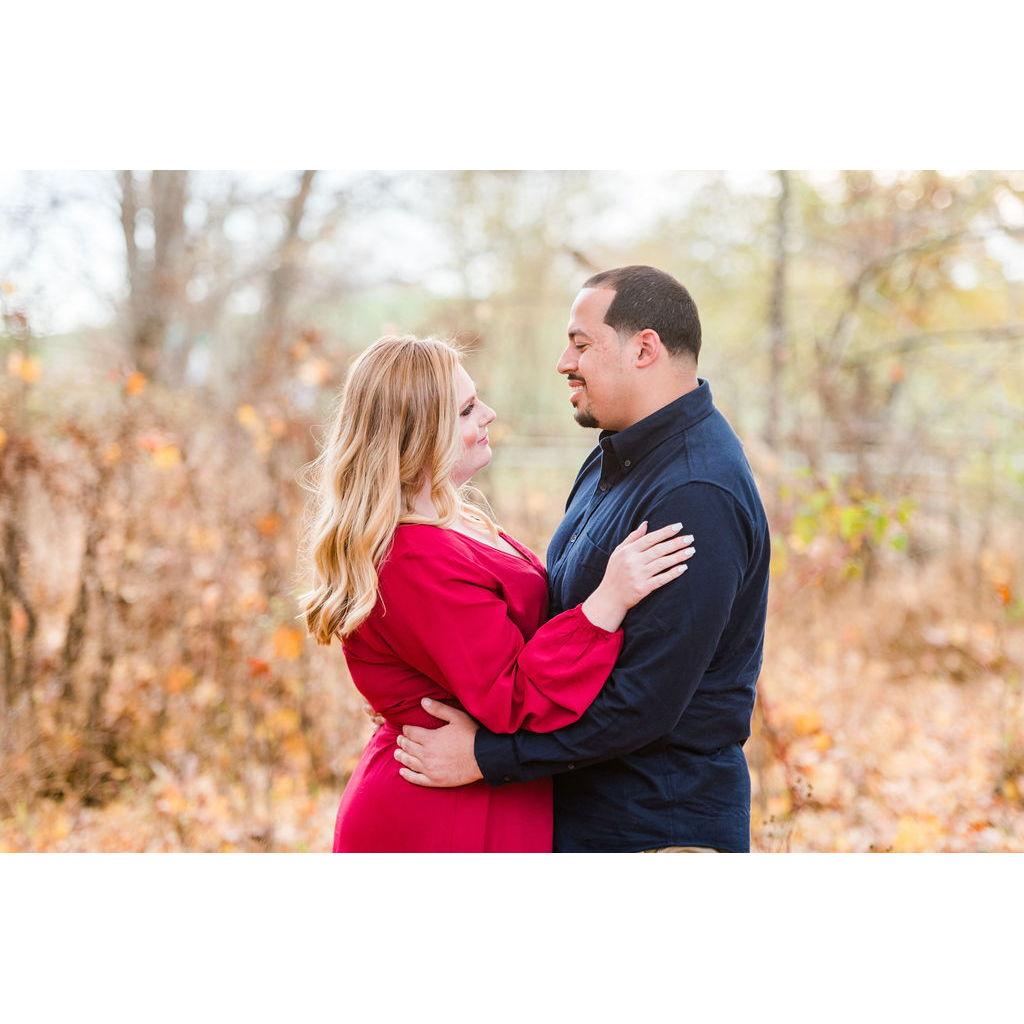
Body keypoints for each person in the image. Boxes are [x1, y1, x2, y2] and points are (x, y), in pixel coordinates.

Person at [393, 266, 771, 853]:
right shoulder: (614, 458)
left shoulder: (695, 494)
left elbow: (644, 705)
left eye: (580, 344)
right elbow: (556, 621)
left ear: (643, 349)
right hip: (583, 818)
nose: (563, 363)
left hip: (655, 831)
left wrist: (487, 756)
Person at [300, 334, 696, 852]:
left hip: (482, 789)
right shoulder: (414, 556)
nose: (488, 414)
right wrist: (608, 601)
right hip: (438, 815)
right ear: (418, 433)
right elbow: (511, 696)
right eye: (466, 410)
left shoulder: (453, 519)